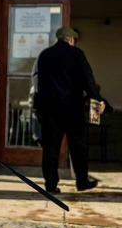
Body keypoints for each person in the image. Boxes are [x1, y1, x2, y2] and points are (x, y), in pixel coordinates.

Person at [32, 26, 107, 194]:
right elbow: (88, 80)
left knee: (51, 148)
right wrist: (98, 100)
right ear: (71, 39)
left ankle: (50, 185)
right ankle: (81, 182)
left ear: (58, 39)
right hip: (72, 108)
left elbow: (38, 82)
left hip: (50, 110)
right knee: (78, 146)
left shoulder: (44, 55)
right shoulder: (77, 54)